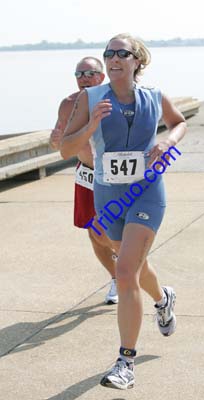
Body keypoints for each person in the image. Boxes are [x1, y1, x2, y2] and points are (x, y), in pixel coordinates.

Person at [60, 33, 187, 390]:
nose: (114, 58)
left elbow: (180, 122)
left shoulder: (153, 97)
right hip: (108, 196)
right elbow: (65, 148)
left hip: (146, 192)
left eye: (122, 53)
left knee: (126, 270)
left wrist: (168, 142)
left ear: (137, 61)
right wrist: (91, 126)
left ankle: (125, 363)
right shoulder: (90, 98)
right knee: (136, 266)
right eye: (109, 53)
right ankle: (163, 298)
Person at [49, 56, 118, 304]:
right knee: (93, 232)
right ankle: (117, 278)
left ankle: (127, 261)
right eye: (79, 74)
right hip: (85, 173)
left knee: (105, 229)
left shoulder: (114, 99)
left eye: (90, 73)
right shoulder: (68, 104)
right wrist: (55, 140)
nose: (84, 78)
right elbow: (57, 139)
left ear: (102, 76)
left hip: (111, 174)